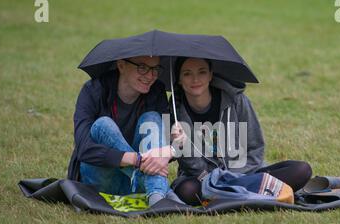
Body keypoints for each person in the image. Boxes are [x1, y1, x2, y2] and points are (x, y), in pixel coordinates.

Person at [170, 57, 313, 205]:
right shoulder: (175, 110)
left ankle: (225, 195)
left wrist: (232, 178)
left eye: (202, 72)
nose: (195, 79)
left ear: (211, 75)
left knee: (301, 170)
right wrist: (182, 145)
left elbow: (255, 148)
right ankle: (259, 193)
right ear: (179, 79)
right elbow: (193, 169)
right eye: (187, 74)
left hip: (245, 174)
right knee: (187, 191)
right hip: (202, 179)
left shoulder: (236, 100)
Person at [67, 56, 182, 206]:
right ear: (121, 66)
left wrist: (170, 149)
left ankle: (157, 194)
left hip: (134, 185)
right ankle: (161, 195)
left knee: (152, 118)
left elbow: (165, 146)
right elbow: (84, 148)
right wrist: (136, 159)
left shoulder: (156, 91)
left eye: (155, 69)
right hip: (100, 183)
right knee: (103, 125)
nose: (150, 76)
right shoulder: (93, 90)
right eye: (142, 67)